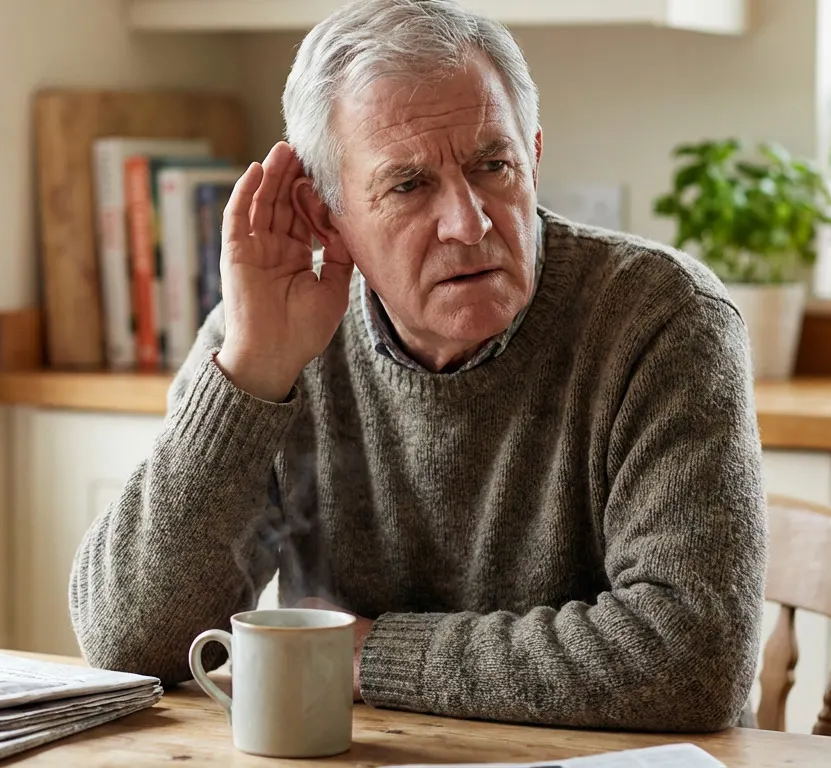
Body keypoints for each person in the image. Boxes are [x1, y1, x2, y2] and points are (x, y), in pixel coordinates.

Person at [71, 0, 767, 732]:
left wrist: (369, 656)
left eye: (493, 165)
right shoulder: (273, 334)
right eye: (408, 185)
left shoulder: (662, 317)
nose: (469, 223)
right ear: (326, 212)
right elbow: (131, 642)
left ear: (532, 154)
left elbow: (694, 658)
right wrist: (250, 373)